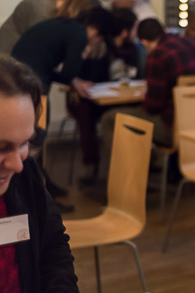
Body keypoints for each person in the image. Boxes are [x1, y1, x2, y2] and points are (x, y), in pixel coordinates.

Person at [0, 55, 112, 293]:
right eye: (0, 147)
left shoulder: (24, 175)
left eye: (24, 144)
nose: (17, 163)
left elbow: (51, 245)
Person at [100, 17, 195, 148]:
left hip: (173, 127)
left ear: (144, 43)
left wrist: (146, 97)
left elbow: (153, 107)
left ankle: (137, 165)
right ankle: (151, 161)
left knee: (109, 119)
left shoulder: (158, 55)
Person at [67, 8, 139, 185]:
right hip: (87, 97)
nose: (137, 33)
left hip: (115, 98)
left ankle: (137, 166)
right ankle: (91, 164)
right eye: (135, 28)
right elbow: (86, 75)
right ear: (125, 31)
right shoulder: (98, 46)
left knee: (133, 111)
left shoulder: (133, 49)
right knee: (85, 110)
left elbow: (136, 75)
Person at [11, 6, 113, 95]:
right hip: (31, 75)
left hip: (18, 69)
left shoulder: (69, 25)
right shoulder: (80, 34)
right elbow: (68, 75)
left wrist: (76, 81)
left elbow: (56, 72)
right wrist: (82, 56)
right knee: (41, 111)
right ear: (99, 33)